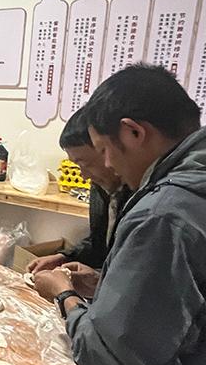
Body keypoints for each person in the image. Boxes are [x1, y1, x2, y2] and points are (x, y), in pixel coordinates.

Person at [33, 63, 206, 365]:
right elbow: (190, 304)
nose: (107, 164)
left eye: (105, 150)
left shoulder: (165, 216)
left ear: (134, 132)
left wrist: (64, 295)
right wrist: (105, 283)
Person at [27, 107, 132, 276]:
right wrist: (65, 257)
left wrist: (65, 291)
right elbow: (99, 244)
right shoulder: (101, 186)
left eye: (86, 164)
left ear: (107, 151)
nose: (84, 175)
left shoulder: (145, 201)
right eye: (77, 166)